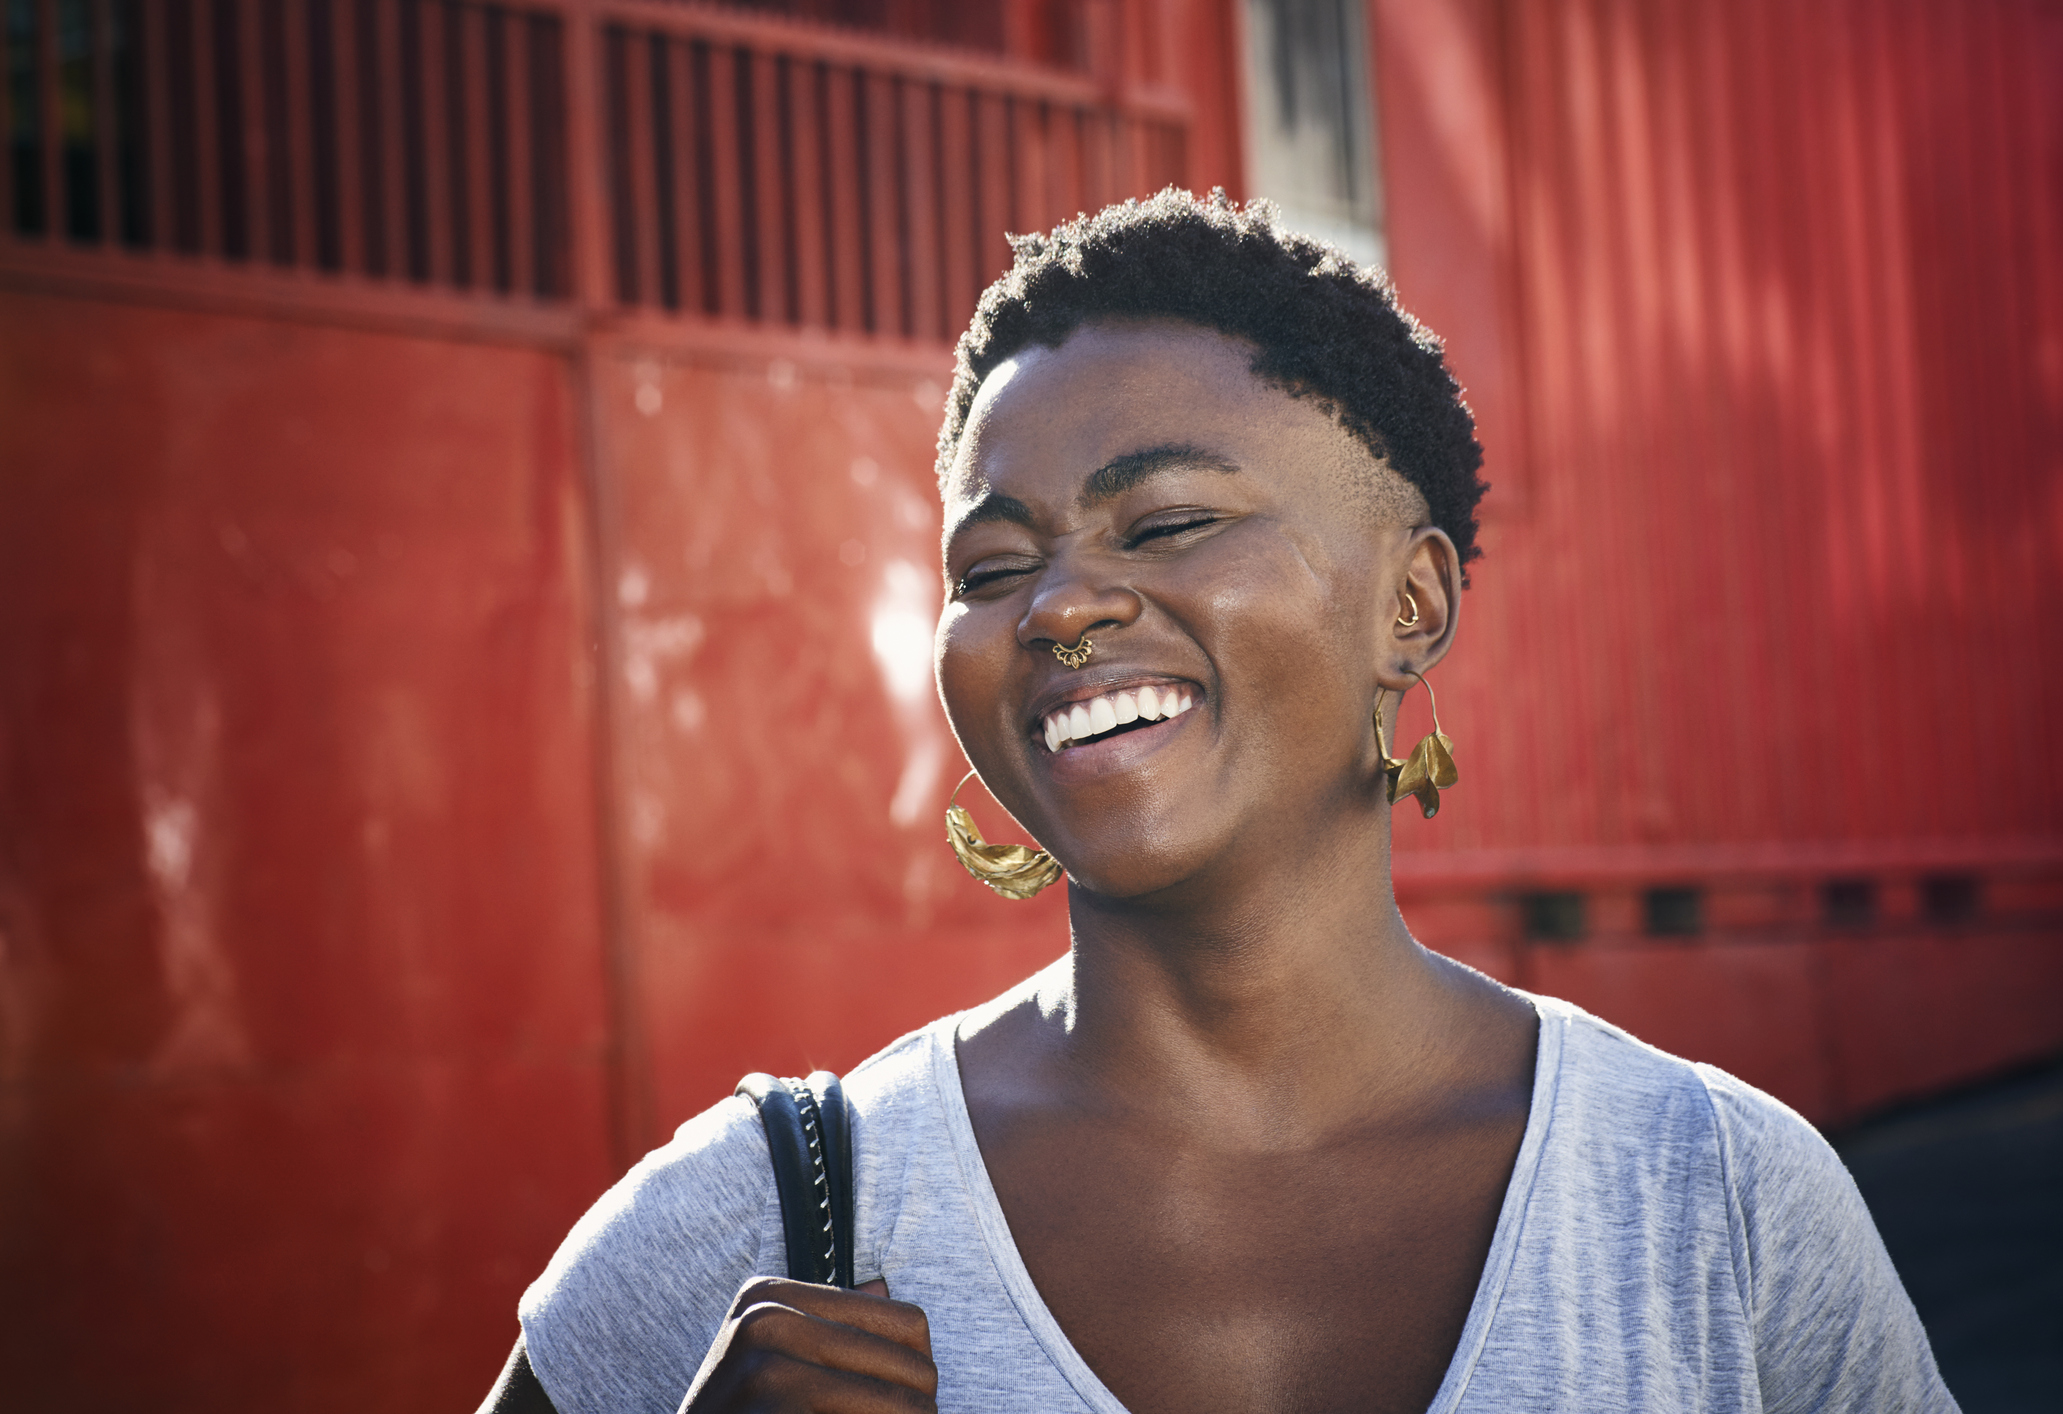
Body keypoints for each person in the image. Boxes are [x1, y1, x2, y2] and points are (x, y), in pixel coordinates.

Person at [480, 190, 1955, 1414]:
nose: (1057, 606)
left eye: (1167, 522)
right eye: (992, 567)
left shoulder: (1717, 1204)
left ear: (1411, 602)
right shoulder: (772, 1214)